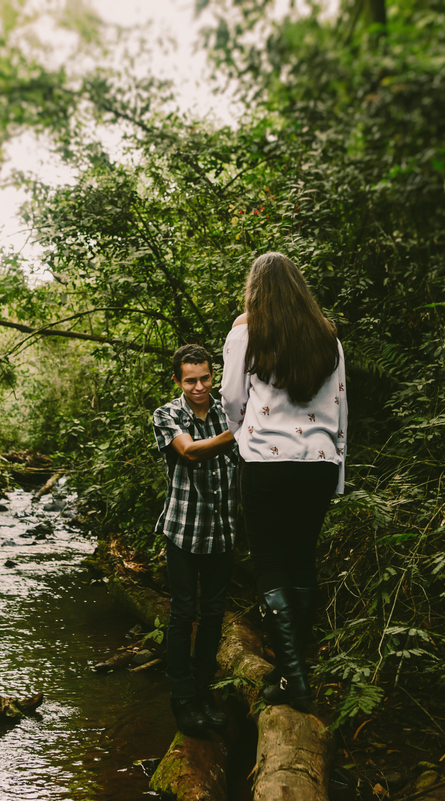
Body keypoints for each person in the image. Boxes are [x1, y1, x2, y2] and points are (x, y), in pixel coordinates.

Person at [220, 252, 347, 713]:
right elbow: (341, 406)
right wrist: (337, 471)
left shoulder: (245, 332)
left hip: (266, 465)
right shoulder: (327, 336)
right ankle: (293, 671)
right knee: (302, 562)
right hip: (318, 463)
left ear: (255, 289)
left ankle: (294, 679)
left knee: (271, 565)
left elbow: (232, 398)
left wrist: (243, 436)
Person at [152, 344, 239, 737]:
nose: (200, 386)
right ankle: (182, 697)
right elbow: (189, 452)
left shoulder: (227, 409)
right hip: (184, 530)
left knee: (214, 613)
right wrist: (243, 432)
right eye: (191, 380)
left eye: (205, 378)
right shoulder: (167, 414)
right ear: (178, 380)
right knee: (183, 613)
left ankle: (204, 692)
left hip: (223, 529)